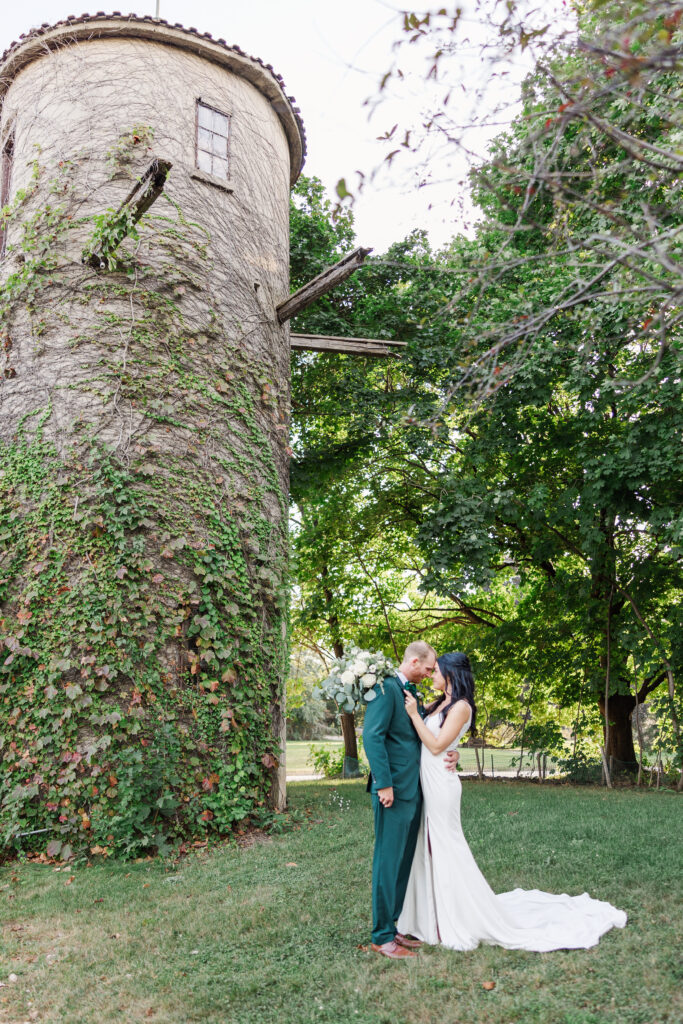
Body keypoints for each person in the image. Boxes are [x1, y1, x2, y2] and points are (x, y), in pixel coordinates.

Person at [398, 651, 627, 951]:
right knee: (429, 845)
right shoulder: (440, 703)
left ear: (452, 674)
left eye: (438, 671)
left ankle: (462, 914)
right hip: (429, 779)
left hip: (441, 786)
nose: (432, 675)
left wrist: (416, 715)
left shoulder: (462, 707)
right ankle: (431, 915)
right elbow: (432, 740)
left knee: (446, 845)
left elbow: (439, 744)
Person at [362, 641, 459, 960]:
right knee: (387, 860)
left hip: (416, 788)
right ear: (414, 662)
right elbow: (372, 735)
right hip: (393, 790)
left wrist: (452, 752)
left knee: (403, 860)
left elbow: (430, 734)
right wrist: (383, 784)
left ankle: (395, 925)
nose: (431, 674)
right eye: (429, 669)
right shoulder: (386, 687)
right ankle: (381, 936)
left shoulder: (412, 693)